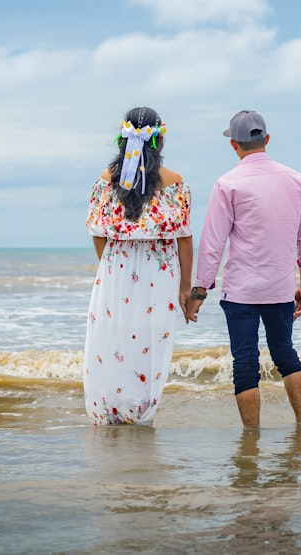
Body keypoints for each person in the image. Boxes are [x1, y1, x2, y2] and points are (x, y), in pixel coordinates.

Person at [186, 110, 301, 427]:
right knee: (285, 354)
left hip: (242, 291)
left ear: (234, 145)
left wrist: (199, 291)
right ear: (267, 139)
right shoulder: (298, 181)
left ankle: (252, 439)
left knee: (245, 362)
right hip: (281, 288)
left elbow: (213, 243)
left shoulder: (228, 184)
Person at [84, 106, 193, 425]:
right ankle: (142, 413)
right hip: (159, 272)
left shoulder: (107, 179)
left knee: (112, 338)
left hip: (116, 266)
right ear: (158, 139)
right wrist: (186, 287)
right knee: (150, 340)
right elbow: (184, 240)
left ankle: (110, 412)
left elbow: (97, 232)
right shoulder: (174, 181)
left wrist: (110, 265)